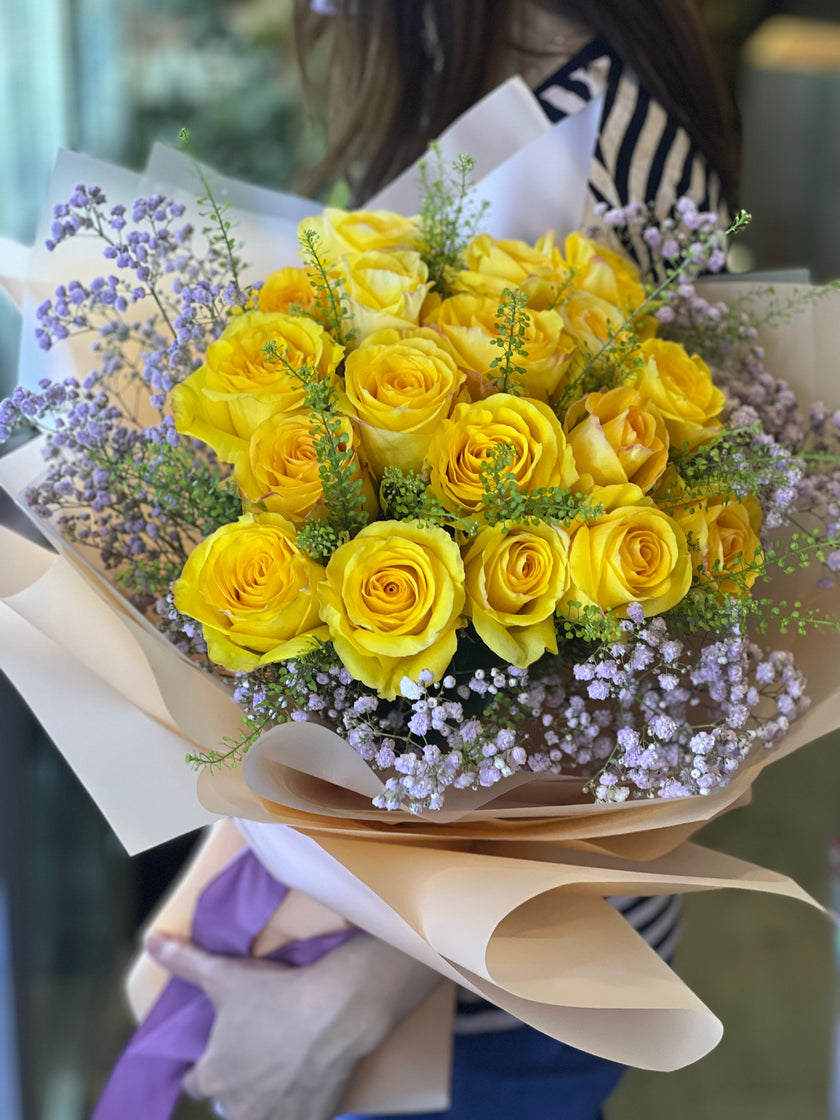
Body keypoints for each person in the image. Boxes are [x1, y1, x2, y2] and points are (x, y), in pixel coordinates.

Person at [147, 2, 739, 1117]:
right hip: (439, 935)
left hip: (481, 980)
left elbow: (610, 698)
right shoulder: (512, 76)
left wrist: (343, 1008)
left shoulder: (593, 139)